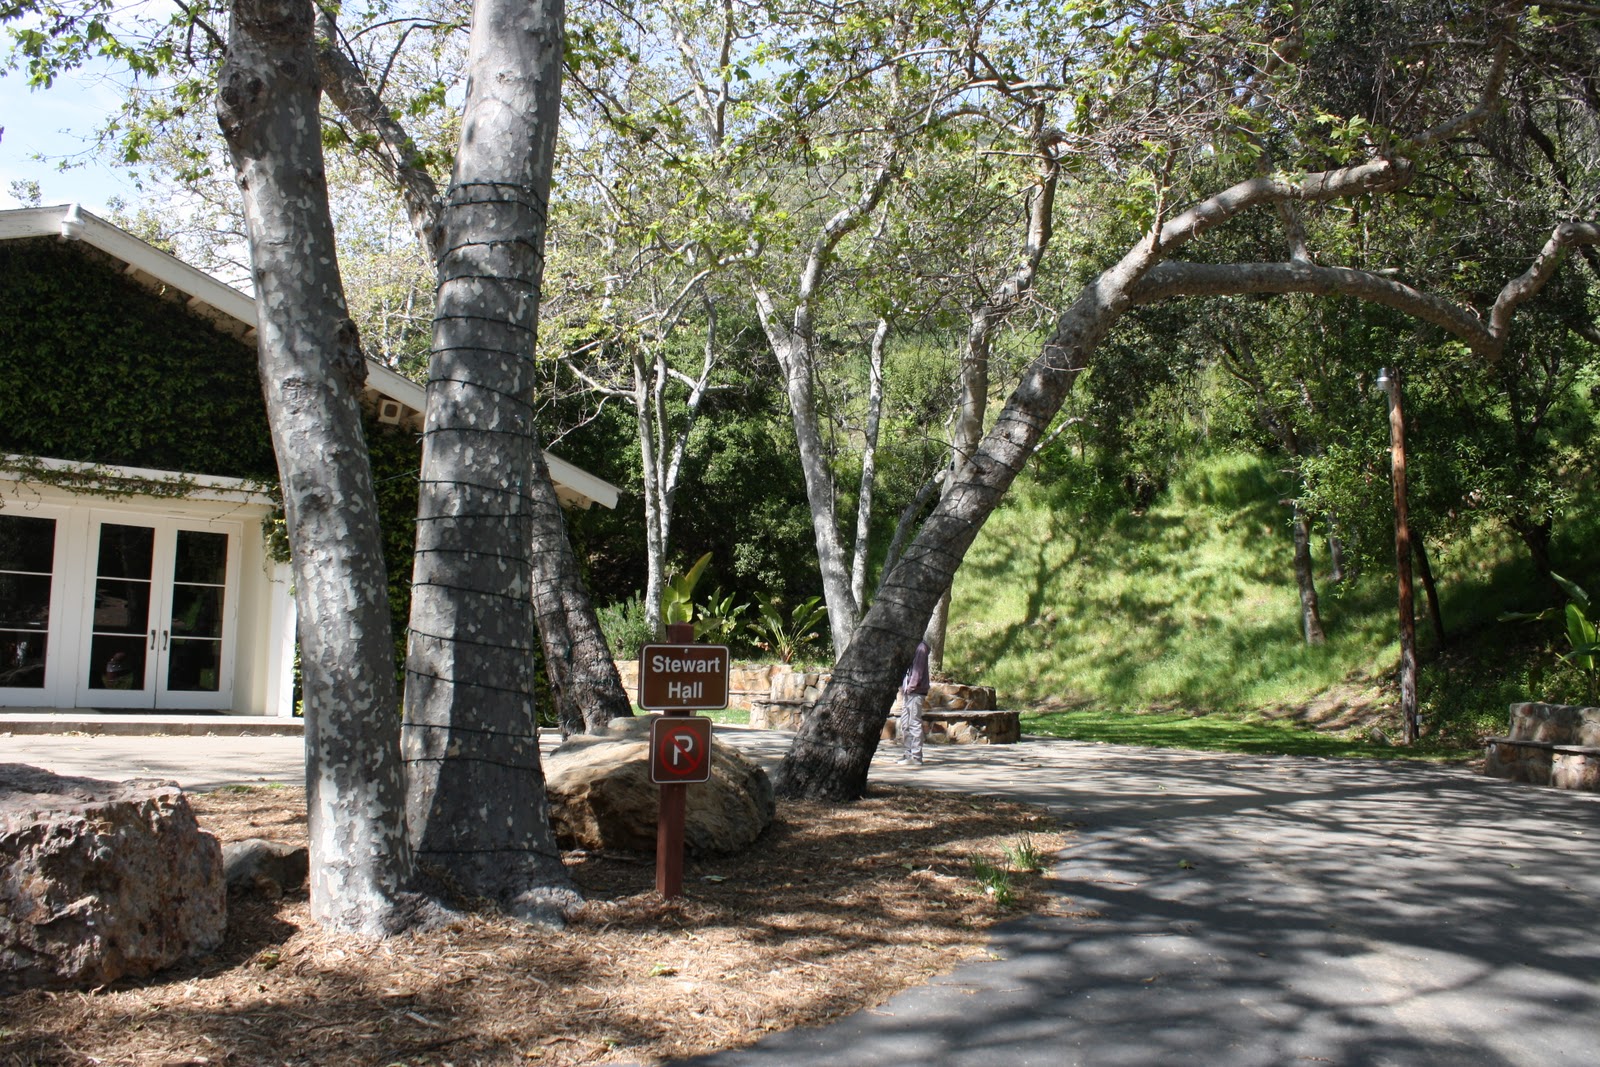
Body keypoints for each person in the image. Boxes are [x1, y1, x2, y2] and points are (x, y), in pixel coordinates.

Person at [897, 639, 930, 766]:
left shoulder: (921, 648)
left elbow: (918, 672)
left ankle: (916, 756)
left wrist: (911, 687)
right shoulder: (913, 646)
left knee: (914, 723)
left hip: (915, 692)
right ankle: (908, 754)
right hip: (908, 691)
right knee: (905, 723)